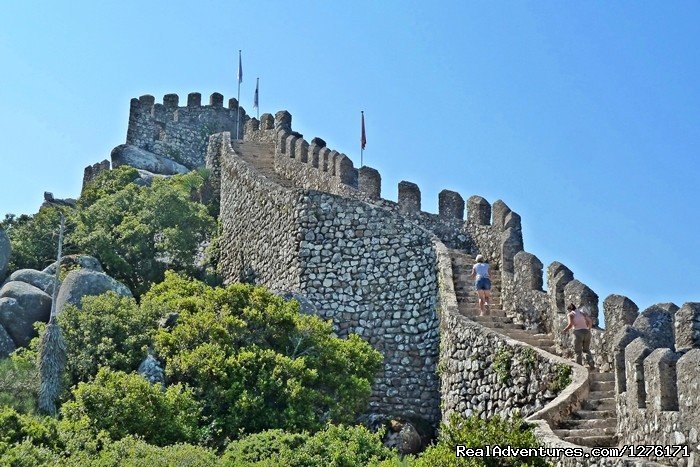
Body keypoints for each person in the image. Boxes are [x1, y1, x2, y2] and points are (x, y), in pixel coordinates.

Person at [562, 303, 594, 369]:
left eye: (568, 310)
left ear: (569, 309)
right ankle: (591, 362)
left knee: (578, 351)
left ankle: (579, 367)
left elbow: (571, 324)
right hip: (587, 332)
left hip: (578, 333)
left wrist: (564, 330)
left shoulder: (571, 314)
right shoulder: (581, 312)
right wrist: (589, 329)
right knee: (586, 350)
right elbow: (590, 321)